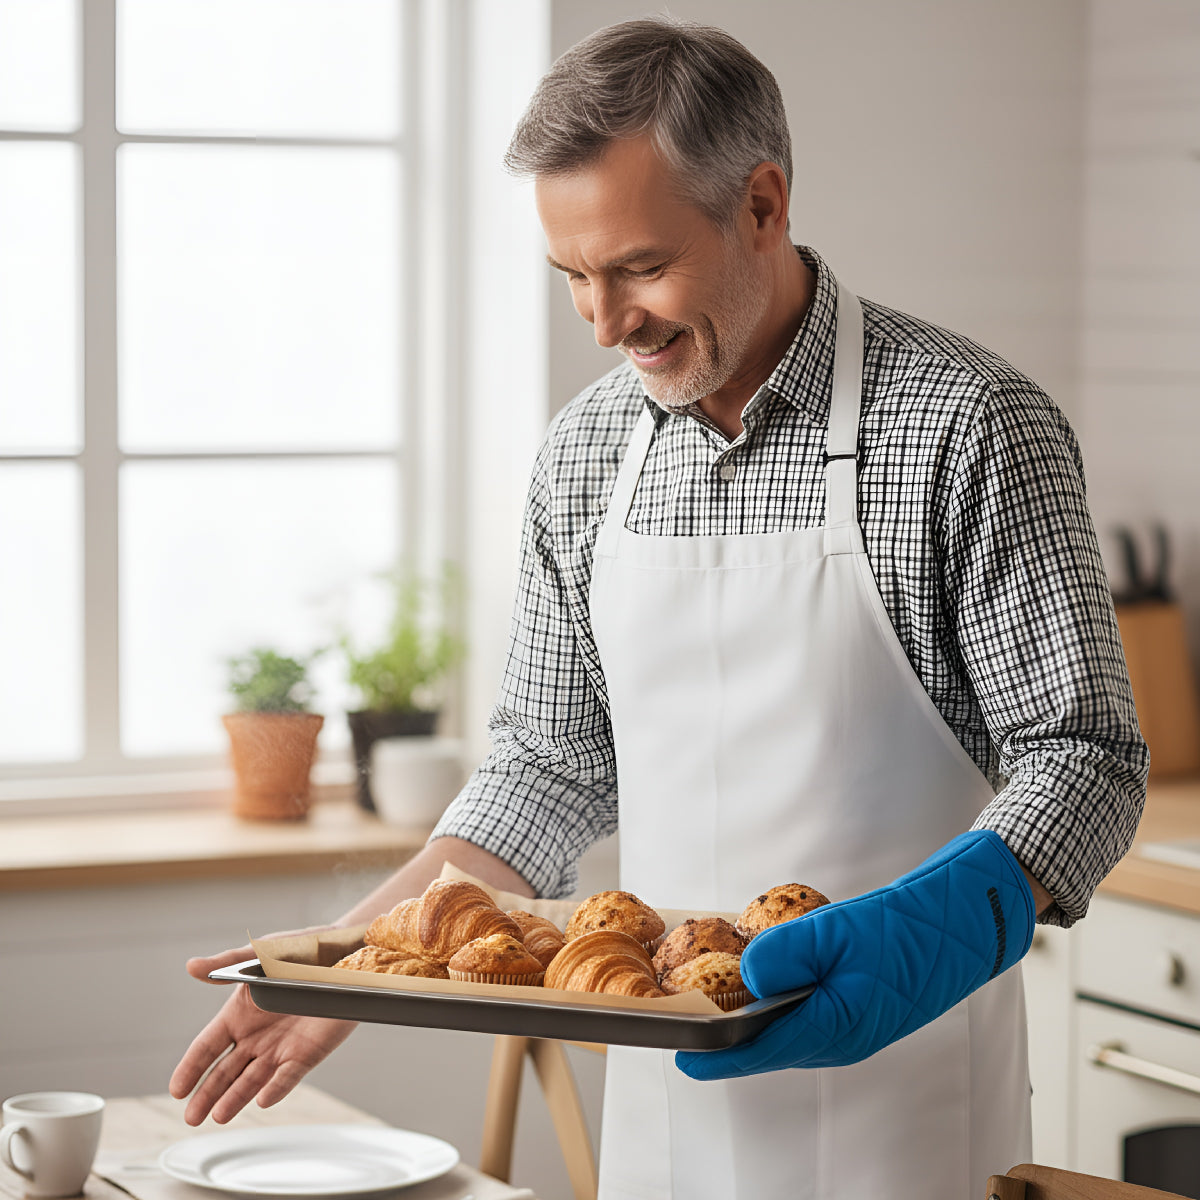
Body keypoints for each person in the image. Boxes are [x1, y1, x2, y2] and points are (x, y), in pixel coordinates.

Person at [171, 17, 1147, 1198]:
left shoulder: (969, 426)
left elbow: (1085, 757)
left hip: (912, 1103)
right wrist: (349, 966)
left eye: (638, 267)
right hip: (665, 1124)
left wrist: (932, 930)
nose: (603, 320)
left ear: (763, 204)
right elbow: (546, 767)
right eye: (572, 275)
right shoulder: (585, 455)